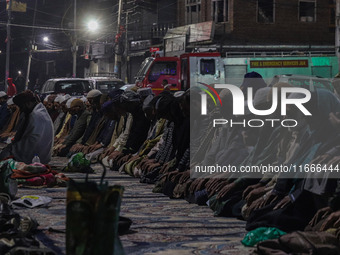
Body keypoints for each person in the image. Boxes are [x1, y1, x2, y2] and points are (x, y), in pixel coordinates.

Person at [0, 90, 54, 164]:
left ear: (28, 103)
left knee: (5, 155)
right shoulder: (37, 111)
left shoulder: (35, 115)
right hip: (41, 154)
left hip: (34, 155)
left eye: (21, 106)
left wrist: (13, 147)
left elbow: (30, 140)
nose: (21, 109)